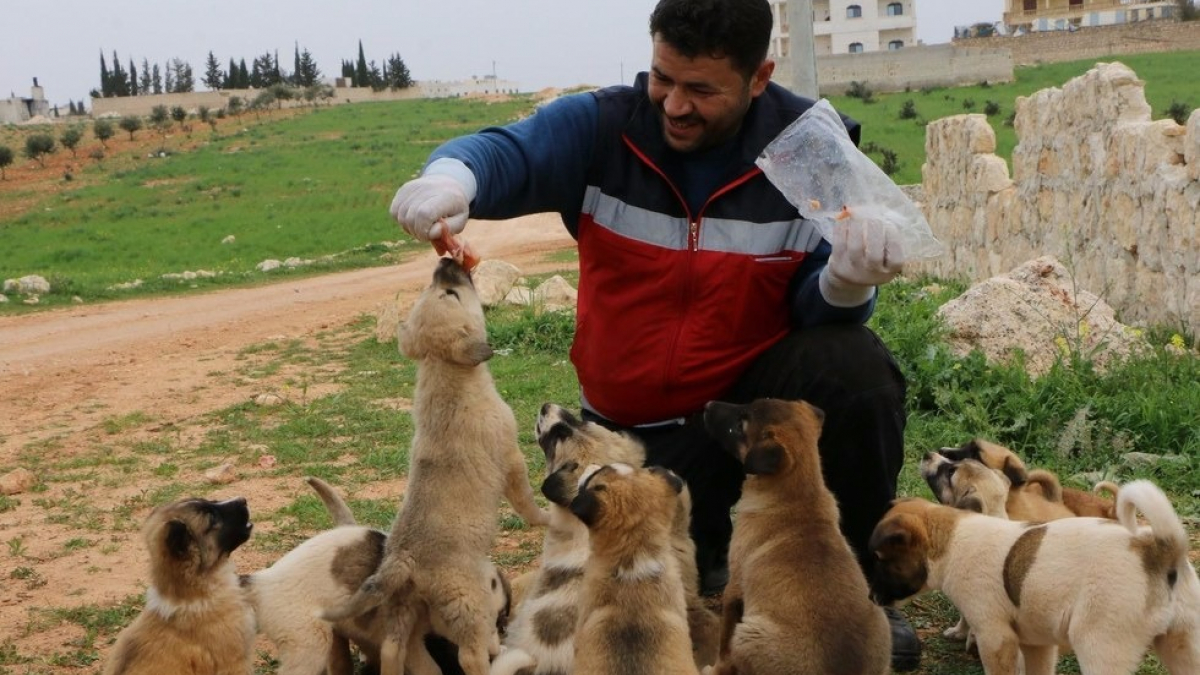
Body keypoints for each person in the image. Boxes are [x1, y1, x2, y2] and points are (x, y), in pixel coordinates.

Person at [387, 0, 919, 669]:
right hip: (634, 450)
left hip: (739, 423)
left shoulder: (807, 147)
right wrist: (450, 178)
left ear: (759, 77)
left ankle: (852, 594)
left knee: (853, 366)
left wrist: (845, 280)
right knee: (627, 597)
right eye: (663, 77)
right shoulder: (607, 127)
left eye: (701, 89)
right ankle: (727, 560)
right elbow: (508, 151)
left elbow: (821, 307)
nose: (673, 104)